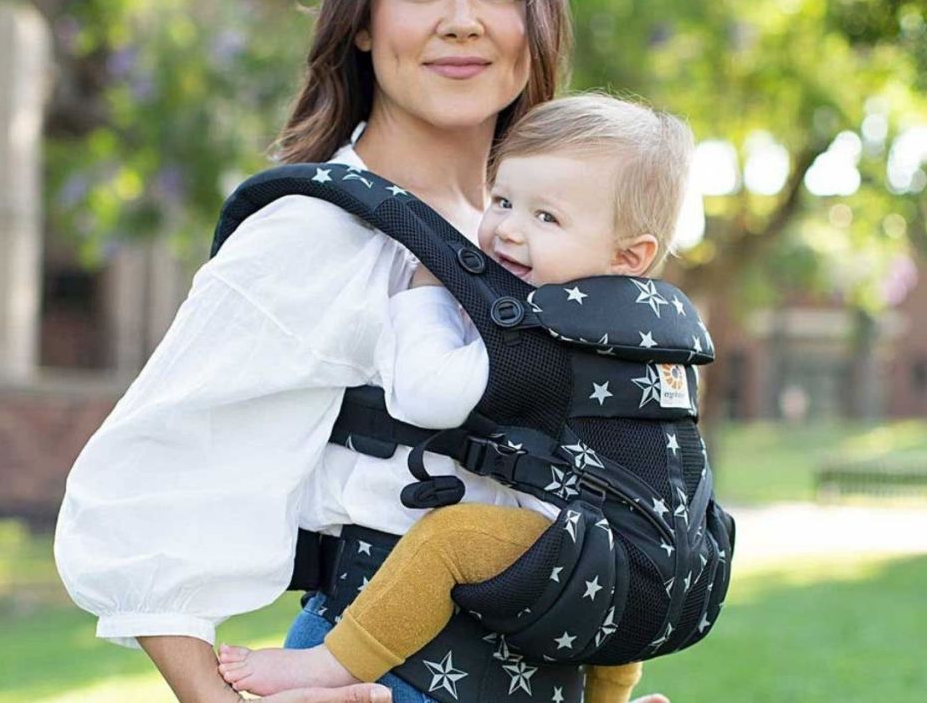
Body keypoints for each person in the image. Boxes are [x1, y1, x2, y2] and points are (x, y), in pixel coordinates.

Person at [53, 0, 667, 702]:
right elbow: (140, 483)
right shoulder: (319, 231)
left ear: (535, 24)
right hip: (392, 675)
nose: (462, 20)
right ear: (364, 23)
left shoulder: (537, 239)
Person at [215, 93, 693, 703]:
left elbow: (430, 397)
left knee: (450, 539)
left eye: (547, 218)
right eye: (502, 201)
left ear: (628, 258)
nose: (508, 229)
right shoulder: (650, 340)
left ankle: (332, 664)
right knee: (622, 608)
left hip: (565, 549)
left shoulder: (551, 332)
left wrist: (425, 292)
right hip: (625, 566)